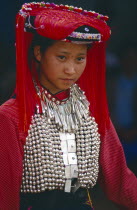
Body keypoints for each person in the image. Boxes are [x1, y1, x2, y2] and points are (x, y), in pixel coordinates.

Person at [0, 2, 137, 210]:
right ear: (38, 53)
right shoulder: (12, 115)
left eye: (80, 58)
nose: (71, 70)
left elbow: (119, 180)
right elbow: (5, 193)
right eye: (61, 57)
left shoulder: (91, 111)